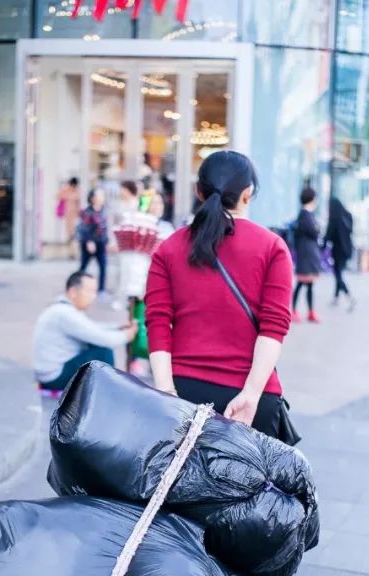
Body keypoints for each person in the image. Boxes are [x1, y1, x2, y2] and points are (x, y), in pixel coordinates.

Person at [144, 150, 293, 439]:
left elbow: (158, 322)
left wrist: (165, 391)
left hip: (184, 394)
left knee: (176, 484)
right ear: (247, 194)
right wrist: (251, 393)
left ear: (199, 191)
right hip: (252, 398)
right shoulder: (273, 248)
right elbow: (273, 327)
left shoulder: (169, 248)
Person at [33, 270, 137, 391]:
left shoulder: (62, 308)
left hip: (51, 371)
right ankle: (108, 392)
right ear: (73, 292)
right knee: (103, 352)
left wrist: (117, 328)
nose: (93, 297)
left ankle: (103, 389)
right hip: (54, 376)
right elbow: (103, 338)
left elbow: (90, 328)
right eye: (89, 291)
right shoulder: (65, 313)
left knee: (96, 345)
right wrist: (127, 335)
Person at [292, 187, 322, 323]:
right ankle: (293, 311)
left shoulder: (305, 215)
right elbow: (314, 232)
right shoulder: (305, 215)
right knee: (300, 283)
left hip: (308, 255)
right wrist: (317, 228)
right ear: (311, 199)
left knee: (309, 284)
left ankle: (310, 311)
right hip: (306, 255)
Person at [325, 196, 357, 311]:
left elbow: (328, 236)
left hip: (337, 251)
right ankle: (336, 298)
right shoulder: (348, 216)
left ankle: (350, 297)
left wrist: (321, 246)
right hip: (347, 250)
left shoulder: (334, 219)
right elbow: (351, 231)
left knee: (338, 275)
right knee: (339, 273)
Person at [76, 188, 109, 294]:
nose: (102, 198)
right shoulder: (87, 212)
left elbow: (105, 228)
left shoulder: (103, 210)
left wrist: (108, 241)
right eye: (100, 195)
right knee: (83, 266)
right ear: (92, 198)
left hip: (101, 243)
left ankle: (101, 290)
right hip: (89, 243)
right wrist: (89, 241)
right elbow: (84, 228)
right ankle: (77, 286)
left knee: (103, 267)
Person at [57, 177, 81, 246]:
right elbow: (58, 196)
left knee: (74, 228)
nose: (74, 187)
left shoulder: (77, 190)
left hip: (74, 213)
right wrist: (67, 196)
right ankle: (70, 240)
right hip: (67, 212)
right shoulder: (66, 189)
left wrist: (78, 211)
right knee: (69, 228)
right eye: (73, 185)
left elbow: (78, 202)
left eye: (75, 185)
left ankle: (72, 240)